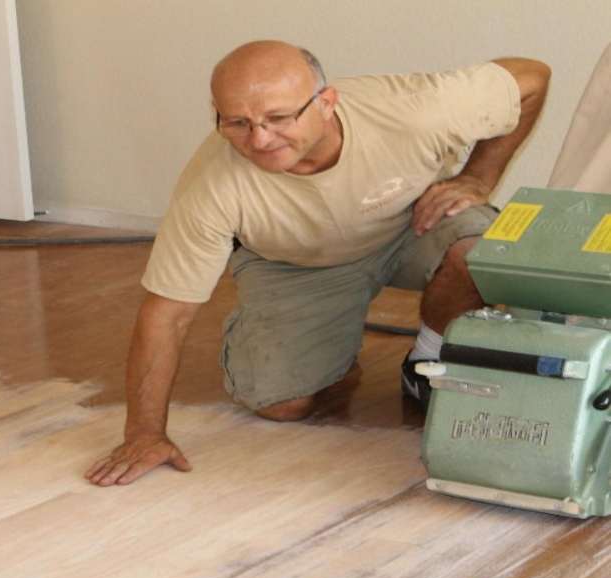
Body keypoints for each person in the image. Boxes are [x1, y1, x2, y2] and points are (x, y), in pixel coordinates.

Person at [85, 40, 550, 487]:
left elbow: (531, 76)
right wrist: (144, 434)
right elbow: (168, 314)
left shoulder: (411, 109)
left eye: (278, 117)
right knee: (280, 404)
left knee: (480, 253)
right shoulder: (212, 187)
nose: (260, 139)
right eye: (238, 123)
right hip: (296, 263)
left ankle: (426, 360)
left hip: (415, 224)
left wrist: (478, 177)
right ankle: (330, 342)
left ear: (326, 102)